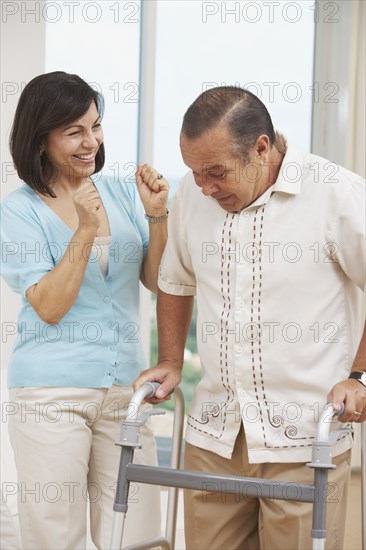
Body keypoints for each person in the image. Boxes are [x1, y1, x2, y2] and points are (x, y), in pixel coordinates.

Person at [134, 86, 366, 549]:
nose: (204, 187)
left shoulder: (337, 193)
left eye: (216, 172)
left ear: (262, 148)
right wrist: (172, 359)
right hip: (215, 433)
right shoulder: (194, 197)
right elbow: (176, 280)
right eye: (195, 173)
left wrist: (361, 377)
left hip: (304, 436)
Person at [0, 71, 169, 550]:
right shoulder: (20, 211)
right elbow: (50, 306)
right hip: (51, 395)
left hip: (124, 392)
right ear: (40, 139)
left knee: (138, 536)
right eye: (73, 131)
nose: (90, 142)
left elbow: (157, 281)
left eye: (95, 126)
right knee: (57, 539)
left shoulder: (119, 193)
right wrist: (85, 230)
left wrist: (156, 215)